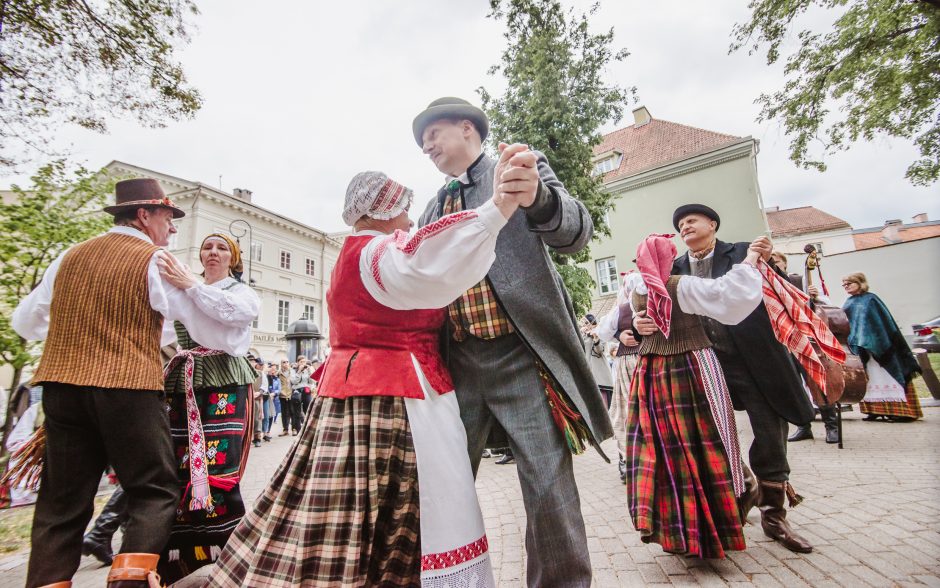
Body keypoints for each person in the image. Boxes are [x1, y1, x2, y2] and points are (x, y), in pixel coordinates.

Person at [205, 152, 530, 586]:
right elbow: (429, 263)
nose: (409, 221)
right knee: (400, 502)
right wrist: (497, 210)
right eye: (402, 211)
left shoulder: (350, 255)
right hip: (390, 395)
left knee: (342, 503)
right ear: (383, 211)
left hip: (352, 390)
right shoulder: (379, 250)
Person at [11, 178, 248, 587]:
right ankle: (130, 582)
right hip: (126, 388)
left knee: (61, 502)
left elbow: (25, 323)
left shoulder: (69, 255)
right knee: (155, 489)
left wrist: (84, 322)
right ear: (144, 215)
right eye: (167, 218)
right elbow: (209, 332)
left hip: (61, 389)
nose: (172, 228)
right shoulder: (154, 260)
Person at [414, 97, 611, 586]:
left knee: (548, 487)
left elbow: (576, 233)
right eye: (422, 142)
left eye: (433, 134)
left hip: (521, 357)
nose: (427, 146)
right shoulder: (431, 208)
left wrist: (539, 197)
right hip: (456, 364)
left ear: (467, 128)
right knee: (442, 488)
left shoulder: (519, 167)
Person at [669, 204, 815, 554]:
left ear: (712, 224)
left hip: (754, 359)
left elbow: (778, 289)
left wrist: (771, 263)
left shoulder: (742, 252)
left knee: (769, 430)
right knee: (708, 434)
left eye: (692, 220)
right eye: (680, 224)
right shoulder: (674, 267)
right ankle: (744, 488)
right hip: (706, 361)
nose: (685, 226)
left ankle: (774, 515)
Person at [627, 234, 764, 557]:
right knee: (711, 441)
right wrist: (750, 262)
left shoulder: (637, 289)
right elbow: (727, 295)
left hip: (651, 373)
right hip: (693, 366)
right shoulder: (680, 285)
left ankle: (679, 529)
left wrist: (635, 319)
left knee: (666, 449)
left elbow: (629, 316)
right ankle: (725, 515)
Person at [156, 232, 260, 582]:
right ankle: (178, 550)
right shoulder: (185, 288)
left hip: (224, 380)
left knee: (220, 464)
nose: (213, 252)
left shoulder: (240, 292)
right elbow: (166, 332)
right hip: (183, 379)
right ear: (199, 254)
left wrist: (189, 285)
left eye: (221, 248)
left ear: (233, 257)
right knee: (176, 461)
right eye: (207, 247)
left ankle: (223, 545)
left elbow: (233, 317)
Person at [842, 272, 923, 421]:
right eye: (844, 284)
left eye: (849, 283)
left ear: (860, 283)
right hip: (863, 350)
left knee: (889, 376)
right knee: (870, 379)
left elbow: (881, 324)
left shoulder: (871, 300)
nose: (846, 286)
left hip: (881, 346)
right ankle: (874, 409)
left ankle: (902, 412)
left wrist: (870, 340)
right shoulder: (848, 303)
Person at [597, 272, 643, 483]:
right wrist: (619, 335)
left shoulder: (657, 302)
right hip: (630, 367)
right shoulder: (622, 310)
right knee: (627, 415)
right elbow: (604, 332)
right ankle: (627, 461)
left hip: (650, 361)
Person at [581, 314, 614, 408]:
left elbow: (600, 351)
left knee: (603, 402)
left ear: (594, 323)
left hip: (599, 370)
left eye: (587, 323)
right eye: (584, 323)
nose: (585, 325)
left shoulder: (600, 334)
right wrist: (582, 333)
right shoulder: (584, 336)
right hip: (588, 368)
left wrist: (596, 339)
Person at [277, 359, 299, 435]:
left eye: (287, 362)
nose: (286, 364)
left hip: (291, 394)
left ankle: (294, 429)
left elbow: (296, 381)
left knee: (293, 412)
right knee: (284, 413)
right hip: (282, 395)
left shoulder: (293, 371)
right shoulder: (278, 373)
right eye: (284, 362)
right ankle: (285, 430)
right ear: (281, 364)